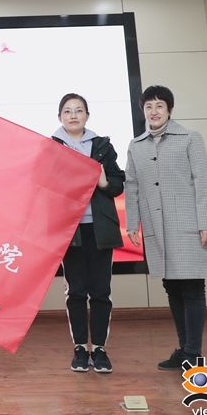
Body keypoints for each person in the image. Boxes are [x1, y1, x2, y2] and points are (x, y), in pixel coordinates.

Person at [125, 85, 207, 370]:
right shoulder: (136, 145)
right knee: (172, 287)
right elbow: (132, 186)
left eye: (159, 106)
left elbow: (202, 181)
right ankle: (185, 349)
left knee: (192, 287)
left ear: (170, 109)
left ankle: (193, 353)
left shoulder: (190, 138)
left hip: (188, 225)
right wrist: (131, 223)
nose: (154, 111)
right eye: (148, 106)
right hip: (156, 226)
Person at [51, 93, 125, 374]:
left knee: (101, 291)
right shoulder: (51, 147)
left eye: (79, 110)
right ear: (60, 117)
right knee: (76, 291)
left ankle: (100, 349)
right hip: (70, 230)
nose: (73, 115)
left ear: (87, 116)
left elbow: (118, 184)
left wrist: (105, 183)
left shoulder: (102, 146)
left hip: (100, 228)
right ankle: (81, 348)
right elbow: (43, 186)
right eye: (68, 111)